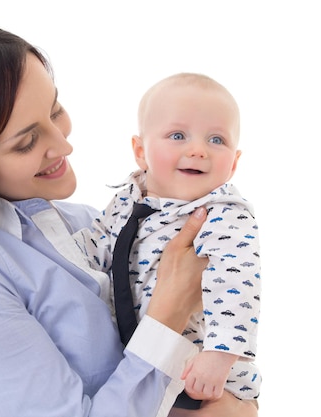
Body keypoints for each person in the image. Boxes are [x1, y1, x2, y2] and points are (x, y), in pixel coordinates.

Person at [0, 21, 258, 417]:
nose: (64, 143)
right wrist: (170, 310)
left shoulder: (85, 226)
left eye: (55, 110)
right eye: (27, 142)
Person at [74, 73, 262, 408]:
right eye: (178, 135)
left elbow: (238, 284)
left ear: (233, 164)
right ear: (141, 151)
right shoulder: (127, 201)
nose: (198, 150)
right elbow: (97, 246)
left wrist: (219, 356)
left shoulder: (223, 214)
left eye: (217, 140)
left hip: (201, 369)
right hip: (140, 365)